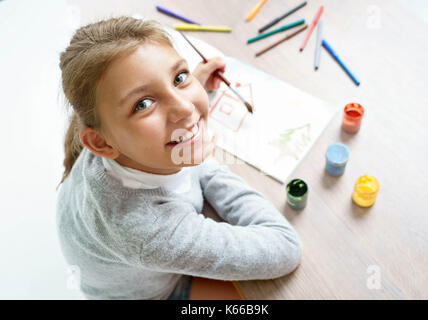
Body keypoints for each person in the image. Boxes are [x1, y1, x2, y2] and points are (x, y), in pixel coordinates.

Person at [56, 16, 302, 300]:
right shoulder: (146, 229)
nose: (185, 107)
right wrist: (202, 155)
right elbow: (284, 247)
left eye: (179, 77)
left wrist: (188, 86)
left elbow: (157, 102)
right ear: (99, 142)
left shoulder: (109, 133)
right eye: (143, 104)